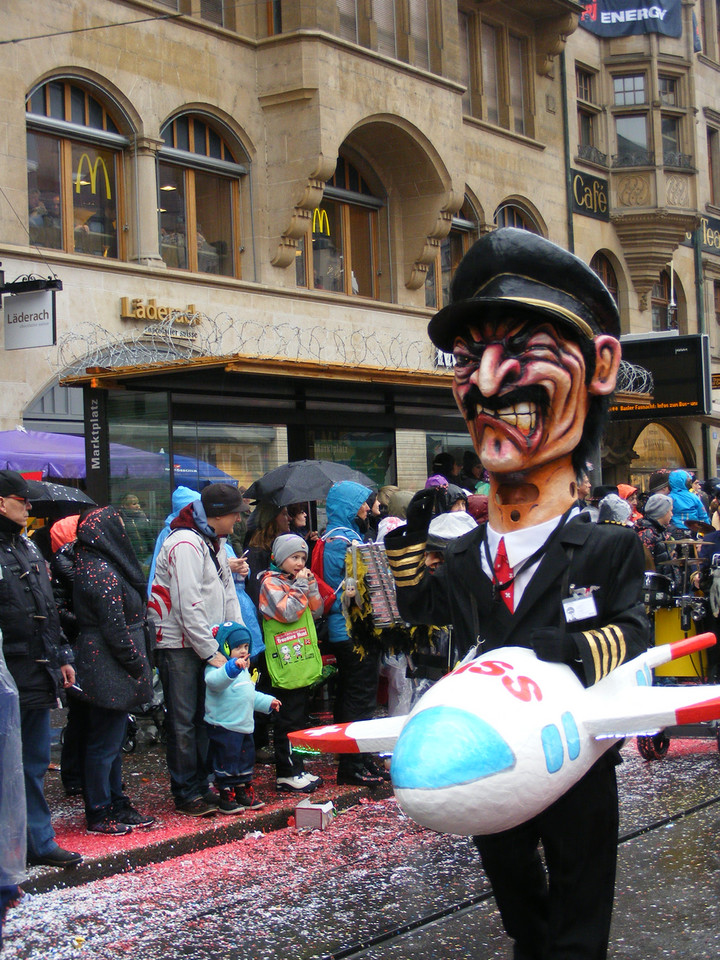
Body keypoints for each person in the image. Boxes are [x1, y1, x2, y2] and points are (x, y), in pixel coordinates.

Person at [384, 228, 650, 960]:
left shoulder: (605, 544)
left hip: (573, 753)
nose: (491, 380)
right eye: (469, 359)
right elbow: (422, 626)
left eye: (526, 348)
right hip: (493, 758)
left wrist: (552, 655)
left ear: (598, 365)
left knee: (581, 895)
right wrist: (402, 565)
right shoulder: (464, 554)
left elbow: (633, 631)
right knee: (512, 889)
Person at [0, 470, 82, 869]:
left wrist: (63, 655)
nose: (30, 507)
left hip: (32, 674)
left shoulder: (28, 548)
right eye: (23, 500)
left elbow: (46, 609)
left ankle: (37, 840)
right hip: (7, 673)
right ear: (2, 502)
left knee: (31, 763)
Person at [148, 482, 245, 816]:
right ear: (218, 515)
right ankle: (187, 790)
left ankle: (201, 785)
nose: (238, 521)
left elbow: (226, 589)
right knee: (184, 720)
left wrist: (236, 636)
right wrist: (211, 652)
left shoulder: (213, 540)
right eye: (235, 515)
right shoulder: (185, 542)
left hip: (207, 640)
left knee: (206, 716)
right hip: (177, 643)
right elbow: (188, 603)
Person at [73, 507, 155, 834]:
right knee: (104, 743)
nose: (125, 530)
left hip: (109, 662)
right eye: (119, 525)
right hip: (108, 665)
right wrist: (136, 662)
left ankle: (116, 802)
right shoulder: (99, 570)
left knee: (112, 740)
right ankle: (99, 810)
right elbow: (115, 629)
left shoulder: (101, 565)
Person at [322, 480, 386, 786]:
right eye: (361, 502)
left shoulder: (334, 537)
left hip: (347, 629)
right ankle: (351, 764)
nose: (366, 507)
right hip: (352, 630)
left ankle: (358, 758)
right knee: (359, 698)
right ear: (348, 506)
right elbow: (354, 587)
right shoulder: (343, 542)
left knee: (353, 695)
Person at [258, 534, 325, 793]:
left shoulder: (296, 581)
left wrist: (312, 587)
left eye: (303, 558)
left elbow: (317, 610)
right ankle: (286, 771)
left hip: (301, 659)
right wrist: (299, 586)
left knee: (298, 717)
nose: (299, 563)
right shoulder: (270, 583)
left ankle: (298, 767)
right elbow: (288, 612)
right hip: (284, 662)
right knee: (287, 717)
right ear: (279, 558)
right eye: (293, 557)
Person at [204, 621, 280, 813]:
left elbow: (249, 694)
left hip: (244, 725)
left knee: (244, 759)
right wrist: (231, 668)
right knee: (227, 760)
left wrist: (267, 702)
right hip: (225, 725)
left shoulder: (244, 671)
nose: (242, 651)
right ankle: (226, 792)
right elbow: (214, 682)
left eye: (245, 647)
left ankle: (241, 789)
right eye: (237, 647)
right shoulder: (217, 669)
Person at [635, 494, 679, 585]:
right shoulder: (647, 534)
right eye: (670, 511)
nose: (672, 514)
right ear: (662, 512)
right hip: (654, 586)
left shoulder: (659, 530)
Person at [119, 493, 155, 565]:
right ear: (125, 506)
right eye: (134, 504)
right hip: (131, 557)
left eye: (138, 503)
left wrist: (154, 551)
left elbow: (149, 537)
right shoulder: (121, 519)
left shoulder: (142, 517)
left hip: (145, 556)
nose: (138, 506)